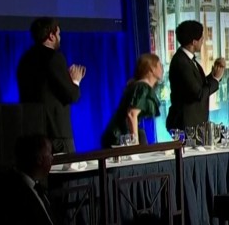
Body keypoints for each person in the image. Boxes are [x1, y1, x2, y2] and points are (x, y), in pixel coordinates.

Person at [16, 17, 86, 153]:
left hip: (32, 136)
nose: (60, 38)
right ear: (51, 36)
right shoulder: (54, 58)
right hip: (57, 136)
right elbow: (71, 95)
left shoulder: (24, 61)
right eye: (58, 34)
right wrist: (75, 81)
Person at [165, 20, 223, 132]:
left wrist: (214, 74)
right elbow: (198, 93)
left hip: (193, 123)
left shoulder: (188, 59)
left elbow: (199, 85)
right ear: (194, 42)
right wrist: (215, 79)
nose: (203, 41)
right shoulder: (181, 62)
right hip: (186, 124)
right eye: (201, 38)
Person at [100, 54, 163, 148]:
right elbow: (132, 114)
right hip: (119, 136)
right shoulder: (142, 87)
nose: (162, 69)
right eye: (159, 65)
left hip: (123, 134)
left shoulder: (142, 87)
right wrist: (135, 143)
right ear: (151, 69)